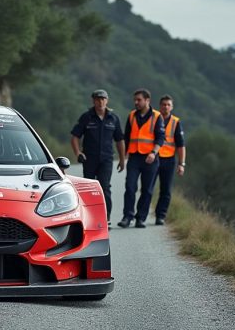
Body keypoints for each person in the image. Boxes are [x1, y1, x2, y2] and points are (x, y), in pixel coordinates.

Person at [71, 89, 125, 227]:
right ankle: (88, 218)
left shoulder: (113, 118)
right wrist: (78, 153)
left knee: (104, 187)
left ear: (107, 100)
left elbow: (119, 140)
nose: (100, 102)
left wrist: (122, 159)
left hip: (106, 159)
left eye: (103, 99)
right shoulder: (86, 117)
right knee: (88, 188)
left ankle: (105, 218)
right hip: (89, 159)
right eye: (97, 99)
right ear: (93, 101)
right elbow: (75, 137)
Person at [118, 89, 165, 228]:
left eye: (139, 100)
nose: (136, 102)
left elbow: (161, 137)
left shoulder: (157, 116)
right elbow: (126, 137)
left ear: (147, 100)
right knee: (130, 187)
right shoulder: (132, 115)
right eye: (135, 100)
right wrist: (124, 156)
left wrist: (153, 152)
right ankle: (127, 217)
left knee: (147, 190)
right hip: (134, 157)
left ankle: (140, 218)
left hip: (150, 158)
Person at [153, 95, 186, 225]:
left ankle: (160, 216)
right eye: (163, 104)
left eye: (168, 105)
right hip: (154, 158)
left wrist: (181, 164)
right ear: (159, 106)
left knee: (165, 190)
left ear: (171, 107)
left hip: (169, 160)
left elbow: (181, 145)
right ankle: (141, 216)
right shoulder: (153, 119)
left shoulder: (176, 122)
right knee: (148, 188)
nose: (166, 107)